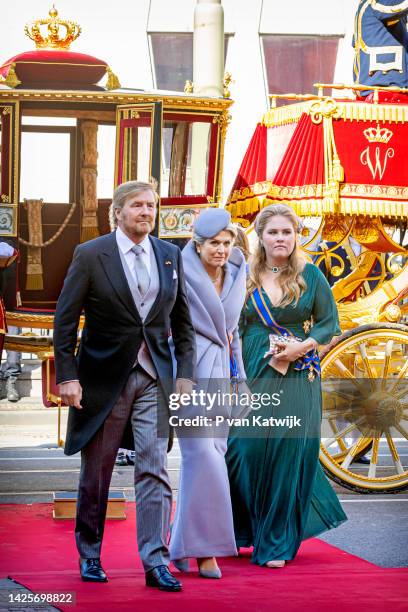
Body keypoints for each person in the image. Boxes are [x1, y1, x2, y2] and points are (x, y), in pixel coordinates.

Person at [53, 180, 195, 592]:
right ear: (117, 212)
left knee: (155, 469)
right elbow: (65, 320)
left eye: (151, 205)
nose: (146, 212)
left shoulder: (170, 255)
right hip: (102, 379)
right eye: (137, 206)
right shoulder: (91, 254)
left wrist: (183, 375)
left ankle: (155, 561)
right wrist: (68, 375)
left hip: (155, 378)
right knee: (96, 472)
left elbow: (182, 323)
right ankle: (90, 554)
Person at [226, 204, 347, 568]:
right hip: (253, 371)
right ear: (260, 237)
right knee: (243, 451)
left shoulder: (311, 275)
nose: (281, 239)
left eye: (287, 232)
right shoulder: (243, 276)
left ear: (296, 237)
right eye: (274, 232)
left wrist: (303, 346)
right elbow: (231, 327)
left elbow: (328, 324)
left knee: (285, 456)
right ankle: (242, 530)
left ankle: (276, 543)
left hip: (298, 375)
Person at [169, 209, 247, 579]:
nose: (221, 250)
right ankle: (206, 552)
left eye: (227, 243)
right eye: (214, 243)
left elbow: (234, 334)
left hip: (224, 377)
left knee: (210, 458)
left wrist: (241, 378)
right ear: (197, 245)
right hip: (190, 372)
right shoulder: (180, 271)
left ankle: (182, 543)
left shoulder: (236, 273)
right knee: (204, 458)